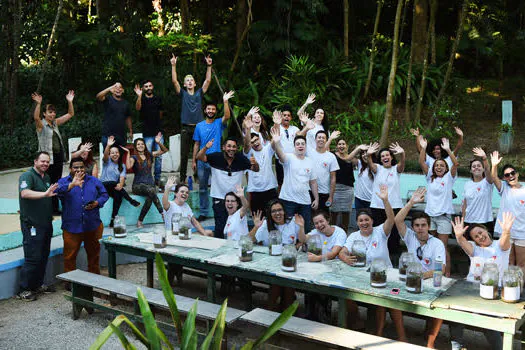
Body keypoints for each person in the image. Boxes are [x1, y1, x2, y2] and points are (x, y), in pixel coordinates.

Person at [339, 185, 406, 341]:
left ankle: (401, 337)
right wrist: (345, 258)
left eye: (366, 220)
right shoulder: (354, 236)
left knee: (392, 299)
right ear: (357, 222)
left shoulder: (380, 232)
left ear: (372, 221)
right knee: (345, 294)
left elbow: (391, 219)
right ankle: (356, 323)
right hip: (362, 276)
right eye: (361, 220)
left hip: (386, 275)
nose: (364, 223)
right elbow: (342, 251)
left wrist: (385, 200)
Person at [449, 214, 513, 350]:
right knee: (453, 312)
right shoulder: (475, 249)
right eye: (476, 237)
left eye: (480, 232)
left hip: (494, 291)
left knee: (486, 320)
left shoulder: (500, 246)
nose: (480, 237)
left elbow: (504, 241)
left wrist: (506, 231)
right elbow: (463, 243)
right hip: (471, 289)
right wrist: (459, 236)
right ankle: (457, 346)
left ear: (486, 230)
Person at [394, 188, 446, 348]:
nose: (420, 228)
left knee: (440, 308)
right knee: (392, 300)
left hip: (428, 280)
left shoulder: (436, 243)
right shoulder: (410, 236)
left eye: (423, 225)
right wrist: (411, 202)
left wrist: (422, 275)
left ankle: (430, 343)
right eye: (416, 225)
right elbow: (397, 220)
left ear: (429, 226)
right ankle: (402, 338)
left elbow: (441, 269)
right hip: (409, 280)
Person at [196, 137, 259, 238]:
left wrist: (255, 163)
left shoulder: (241, 159)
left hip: (235, 199)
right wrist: (206, 148)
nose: (231, 149)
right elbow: (199, 157)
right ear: (223, 147)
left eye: (234, 147)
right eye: (229, 146)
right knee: (220, 228)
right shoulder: (216, 157)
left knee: (236, 226)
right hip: (219, 198)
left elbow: (256, 169)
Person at [17, 152, 59, 301]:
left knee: (43, 255)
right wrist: (44, 194)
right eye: (42, 161)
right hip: (32, 225)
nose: (45, 164)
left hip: (45, 224)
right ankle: (24, 289)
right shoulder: (27, 176)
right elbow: (25, 193)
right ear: (35, 161)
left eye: (47, 162)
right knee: (33, 257)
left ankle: (37, 285)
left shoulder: (46, 177)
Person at [250, 199, 305, 311]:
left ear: (284, 211)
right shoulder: (266, 224)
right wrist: (256, 227)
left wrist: (295, 247)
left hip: (289, 260)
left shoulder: (293, 222)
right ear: (270, 214)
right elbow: (249, 240)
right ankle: (273, 311)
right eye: (274, 211)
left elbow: (302, 241)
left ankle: (286, 311)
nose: (277, 213)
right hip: (271, 263)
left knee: (287, 282)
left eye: (279, 210)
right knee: (277, 283)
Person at [56, 157, 108, 275]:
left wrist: (97, 203)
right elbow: (57, 191)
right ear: (70, 169)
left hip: (92, 225)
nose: (79, 170)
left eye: (81, 167)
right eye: (76, 167)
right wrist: (72, 184)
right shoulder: (63, 181)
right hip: (72, 227)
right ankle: (71, 283)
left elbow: (104, 194)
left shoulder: (93, 181)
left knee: (94, 255)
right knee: (69, 256)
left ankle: (94, 279)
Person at [419, 137, 458, 277]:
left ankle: (446, 274)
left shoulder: (449, 178)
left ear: (445, 168)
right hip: (430, 216)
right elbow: (421, 161)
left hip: (443, 217)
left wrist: (447, 149)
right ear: (433, 168)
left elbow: (456, 163)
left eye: (442, 165)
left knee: (442, 247)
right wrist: (423, 147)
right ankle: (431, 272)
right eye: (437, 166)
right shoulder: (430, 177)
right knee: (431, 246)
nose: (439, 167)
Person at [192, 91, 234, 219]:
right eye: (208, 109)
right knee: (203, 188)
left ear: (215, 111)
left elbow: (227, 116)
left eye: (213, 109)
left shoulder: (218, 123)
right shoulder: (199, 126)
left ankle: (224, 210)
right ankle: (204, 212)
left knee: (220, 187)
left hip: (216, 161)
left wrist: (225, 101)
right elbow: (196, 144)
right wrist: (194, 160)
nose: (210, 111)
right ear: (205, 110)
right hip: (201, 161)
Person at [171, 54, 212, 183]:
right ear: (184, 84)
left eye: (191, 80)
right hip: (185, 127)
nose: (189, 81)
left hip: (199, 127)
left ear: (194, 83)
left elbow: (208, 81)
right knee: (184, 155)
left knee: (200, 153)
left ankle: (197, 176)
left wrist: (209, 66)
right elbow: (174, 81)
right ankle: (182, 178)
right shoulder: (182, 94)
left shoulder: (199, 93)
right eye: (187, 80)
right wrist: (173, 65)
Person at [32, 90, 75, 214]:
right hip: (46, 159)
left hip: (58, 157)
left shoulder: (55, 123)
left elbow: (70, 114)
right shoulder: (41, 125)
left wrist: (70, 101)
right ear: (44, 114)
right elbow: (35, 117)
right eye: (50, 112)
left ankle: (55, 209)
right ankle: (44, 208)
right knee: (45, 182)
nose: (53, 114)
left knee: (56, 182)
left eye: (54, 112)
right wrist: (38, 104)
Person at [271, 125, 318, 233]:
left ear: (306, 146)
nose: (300, 146)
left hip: (305, 201)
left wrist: (316, 198)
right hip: (288, 200)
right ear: (294, 146)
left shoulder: (310, 161)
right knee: (287, 228)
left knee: (306, 229)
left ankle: (303, 248)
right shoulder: (289, 158)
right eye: (298, 144)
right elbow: (280, 154)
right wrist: (277, 142)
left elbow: (313, 182)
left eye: (302, 144)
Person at [367, 141, 405, 262]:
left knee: (394, 235)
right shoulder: (377, 168)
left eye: (387, 155)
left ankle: (393, 260)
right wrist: (369, 154)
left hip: (394, 206)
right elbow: (371, 164)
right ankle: (378, 257)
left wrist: (403, 153)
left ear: (391, 157)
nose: (385, 157)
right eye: (382, 156)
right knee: (379, 233)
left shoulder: (396, 169)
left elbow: (402, 164)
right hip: (377, 206)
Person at [305, 210, 346, 321]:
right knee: (308, 286)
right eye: (316, 223)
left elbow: (333, 253)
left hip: (336, 270)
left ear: (328, 220)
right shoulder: (316, 232)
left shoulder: (339, 232)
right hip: (319, 268)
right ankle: (310, 317)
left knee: (323, 289)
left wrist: (316, 258)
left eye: (321, 221)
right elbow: (303, 239)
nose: (319, 225)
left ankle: (323, 319)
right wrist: (300, 227)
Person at [490, 151, 525, 270]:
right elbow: (493, 177)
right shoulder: (504, 188)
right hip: (506, 231)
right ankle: (507, 287)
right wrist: (494, 165)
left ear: (517, 174)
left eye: (512, 173)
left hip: (522, 232)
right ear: (504, 178)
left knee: (521, 264)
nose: (510, 176)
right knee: (508, 262)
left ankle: (519, 288)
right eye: (507, 175)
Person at [125, 135, 168, 227]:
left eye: (142, 144)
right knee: (152, 192)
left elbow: (164, 150)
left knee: (150, 197)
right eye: (138, 144)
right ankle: (163, 213)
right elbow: (128, 167)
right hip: (138, 185)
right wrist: (128, 153)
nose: (140, 145)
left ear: (145, 145)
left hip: (150, 185)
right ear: (135, 146)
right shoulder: (134, 157)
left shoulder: (150, 155)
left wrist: (158, 142)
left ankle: (140, 221)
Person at [100, 136, 140, 227]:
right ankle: (130, 200)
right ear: (110, 154)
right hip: (102, 186)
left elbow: (122, 179)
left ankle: (112, 220)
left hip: (112, 188)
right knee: (113, 183)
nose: (114, 154)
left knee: (118, 196)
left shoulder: (122, 165)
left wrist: (121, 186)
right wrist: (108, 146)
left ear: (119, 154)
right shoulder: (107, 162)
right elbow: (105, 155)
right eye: (112, 153)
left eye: (116, 152)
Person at [242, 111, 278, 214]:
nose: (256, 143)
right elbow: (246, 144)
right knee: (257, 220)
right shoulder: (248, 152)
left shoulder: (267, 149)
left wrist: (276, 124)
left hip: (270, 189)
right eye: (252, 142)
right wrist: (248, 128)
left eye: (257, 140)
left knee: (273, 217)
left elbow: (275, 138)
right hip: (255, 191)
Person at [328, 140, 365, 229]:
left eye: (343, 144)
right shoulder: (332, 156)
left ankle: (344, 237)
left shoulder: (351, 158)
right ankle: (332, 235)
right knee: (334, 214)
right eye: (339, 144)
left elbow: (357, 161)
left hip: (348, 189)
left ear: (347, 146)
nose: (341, 146)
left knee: (346, 214)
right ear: (337, 146)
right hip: (335, 189)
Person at [134, 80, 164, 185]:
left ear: (153, 86)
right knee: (147, 156)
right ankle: (147, 178)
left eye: (150, 86)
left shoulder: (158, 98)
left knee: (159, 157)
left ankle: (157, 179)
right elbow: (137, 108)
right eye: (146, 86)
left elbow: (161, 114)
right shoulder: (141, 99)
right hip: (147, 133)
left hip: (158, 132)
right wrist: (139, 96)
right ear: (143, 88)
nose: (148, 88)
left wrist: (159, 128)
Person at [462, 147, 494, 232]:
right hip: (469, 221)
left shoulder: (487, 182)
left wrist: (484, 158)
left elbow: (488, 169)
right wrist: (462, 221)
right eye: (473, 166)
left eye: (479, 166)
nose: (476, 168)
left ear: (483, 169)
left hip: (485, 221)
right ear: (470, 171)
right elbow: (465, 204)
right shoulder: (467, 184)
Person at [307, 129, 339, 212]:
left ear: (326, 140)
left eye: (323, 138)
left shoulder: (331, 156)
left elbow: (333, 178)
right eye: (319, 137)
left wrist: (331, 196)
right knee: (309, 219)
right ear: (315, 139)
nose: (321, 139)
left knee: (323, 219)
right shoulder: (309, 153)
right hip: (309, 191)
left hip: (324, 192)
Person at [96, 82, 133, 148]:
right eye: (116, 87)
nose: (118, 89)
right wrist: (109, 88)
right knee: (108, 157)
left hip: (121, 136)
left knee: (122, 156)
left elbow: (128, 117)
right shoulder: (107, 99)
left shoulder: (126, 103)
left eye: (120, 87)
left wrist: (130, 131)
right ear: (112, 90)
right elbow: (98, 96)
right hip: (108, 136)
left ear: (123, 90)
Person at [273, 105, 300, 186]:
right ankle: (280, 199)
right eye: (284, 115)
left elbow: (300, 136)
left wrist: (307, 127)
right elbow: (275, 134)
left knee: (293, 182)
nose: (286, 117)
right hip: (280, 160)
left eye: (288, 115)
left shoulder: (295, 129)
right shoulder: (276, 127)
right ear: (281, 117)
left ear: (291, 118)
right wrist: (276, 123)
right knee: (281, 183)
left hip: (293, 160)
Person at [354, 146, 374, 217]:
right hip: (358, 199)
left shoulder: (376, 167)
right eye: (363, 153)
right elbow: (349, 158)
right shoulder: (360, 164)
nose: (365, 155)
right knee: (359, 220)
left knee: (370, 221)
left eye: (367, 153)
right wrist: (358, 148)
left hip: (371, 201)